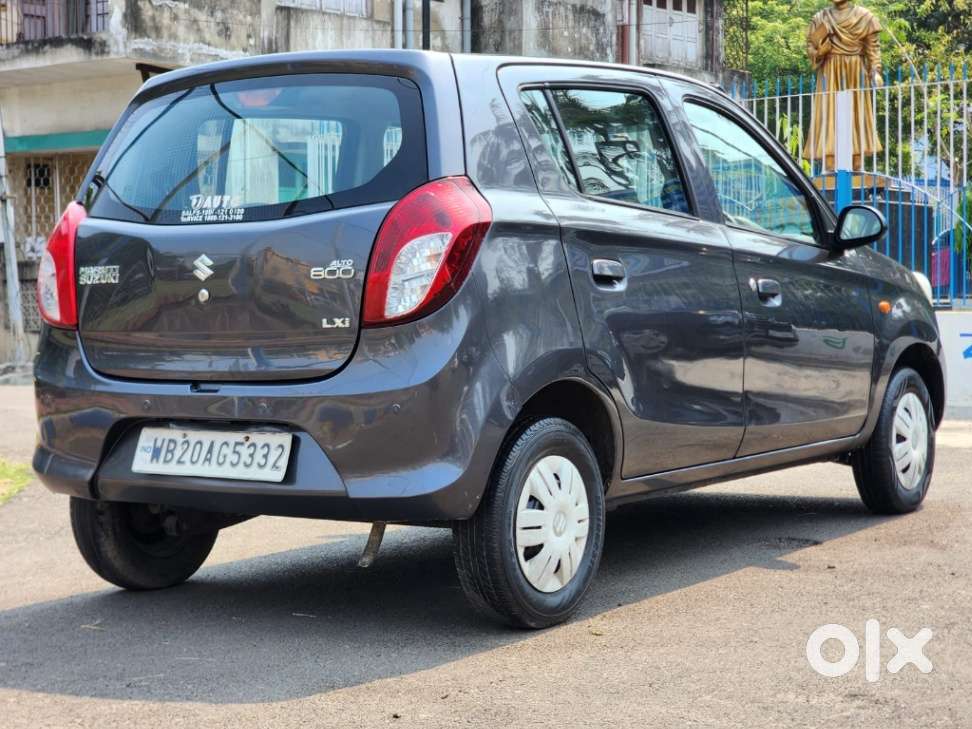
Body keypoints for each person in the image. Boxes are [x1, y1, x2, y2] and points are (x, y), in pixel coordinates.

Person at [803, 0, 883, 169]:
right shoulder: (820, 17)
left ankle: (856, 161)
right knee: (828, 113)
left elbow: (873, 48)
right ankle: (830, 161)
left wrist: (875, 71)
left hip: (855, 70)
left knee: (856, 113)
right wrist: (818, 51)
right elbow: (810, 46)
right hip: (829, 70)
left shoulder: (864, 16)